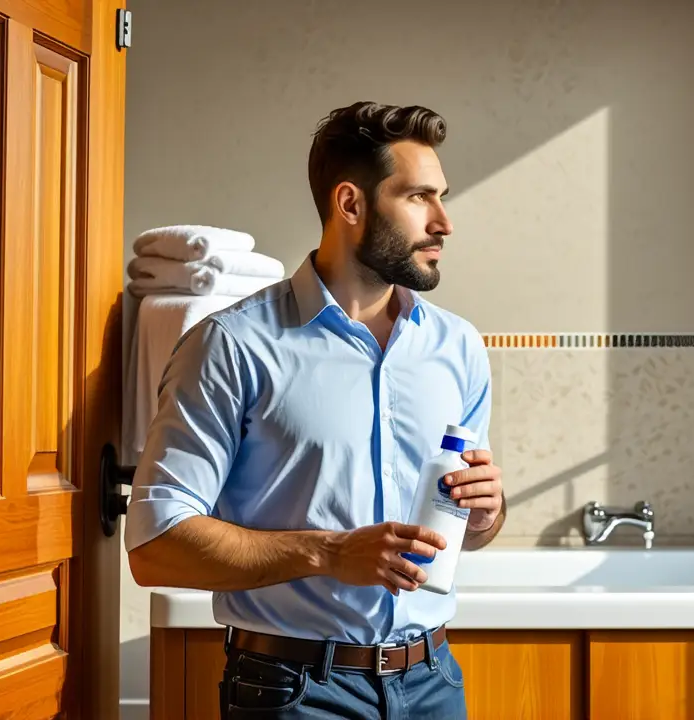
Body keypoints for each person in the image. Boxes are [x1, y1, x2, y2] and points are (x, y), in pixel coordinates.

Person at [124, 101, 506, 719]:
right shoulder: (234, 346)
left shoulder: (456, 346)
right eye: (419, 198)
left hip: (434, 681)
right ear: (350, 205)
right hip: (295, 690)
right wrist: (330, 554)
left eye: (443, 197)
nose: (444, 222)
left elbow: (468, 528)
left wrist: (487, 512)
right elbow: (154, 546)